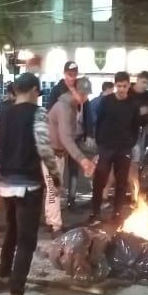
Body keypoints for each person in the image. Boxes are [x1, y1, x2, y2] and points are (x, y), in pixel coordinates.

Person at [0, 72, 61, 295]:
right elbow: (43, 146)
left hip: (6, 184)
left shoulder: (2, 115)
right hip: (28, 184)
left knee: (12, 232)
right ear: (35, 90)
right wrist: (55, 174)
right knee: (26, 242)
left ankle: (3, 277)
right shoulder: (37, 113)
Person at [90, 72, 143, 225]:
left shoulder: (133, 104)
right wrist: (99, 142)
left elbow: (136, 126)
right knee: (100, 180)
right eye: (119, 86)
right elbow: (98, 122)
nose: (121, 89)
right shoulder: (106, 101)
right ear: (115, 86)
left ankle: (117, 212)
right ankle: (95, 212)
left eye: (124, 86)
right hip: (106, 147)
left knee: (121, 182)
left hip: (124, 148)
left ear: (128, 86)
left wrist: (130, 143)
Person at [48, 77, 96, 227]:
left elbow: (70, 138)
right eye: (82, 93)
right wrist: (82, 159)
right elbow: (66, 137)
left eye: (86, 94)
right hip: (50, 152)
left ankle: (51, 220)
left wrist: (86, 157)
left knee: (53, 189)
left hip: (59, 152)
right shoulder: (64, 107)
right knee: (53, 190)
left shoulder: (74, 105)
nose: (84, 97)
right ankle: (55, 225)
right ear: (73, 90)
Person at [129, 71, 148, 186]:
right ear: (138, 80)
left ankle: (133, 187)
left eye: (147, 83)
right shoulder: (129, 92)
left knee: (137, 160)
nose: (145, 85)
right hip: (128, 130)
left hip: (143, 130)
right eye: (143, 82)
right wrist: (139, 111)